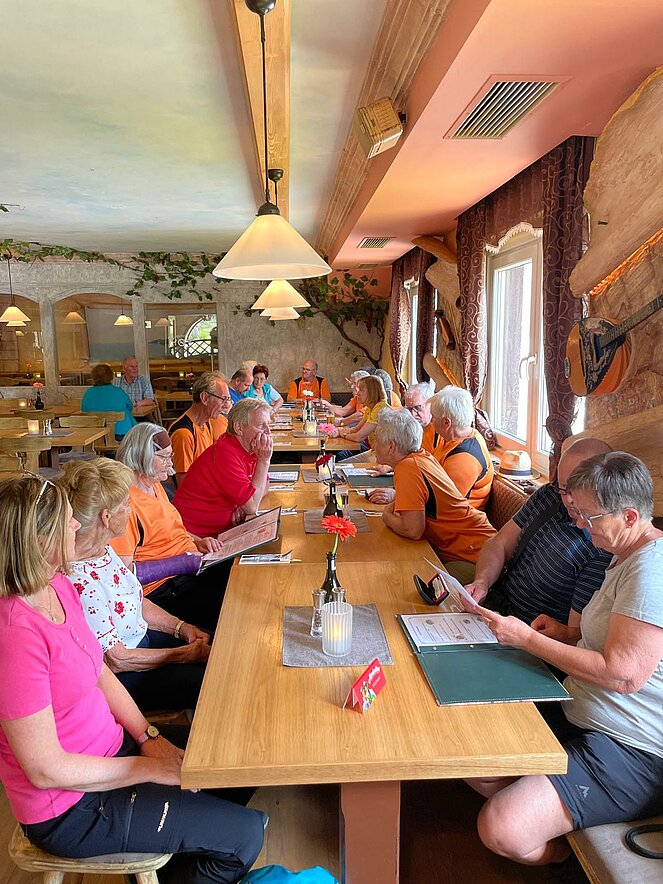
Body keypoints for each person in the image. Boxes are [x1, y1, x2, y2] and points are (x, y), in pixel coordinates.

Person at [0, 474, 264, 884]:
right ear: (39, 540)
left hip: (114, 753)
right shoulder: (14, 635)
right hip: (72, 807)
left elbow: (100, 672)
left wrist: (148, 737)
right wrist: (145, 768)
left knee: (236, 763)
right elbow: (45, 770)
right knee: (244, 837)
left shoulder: (57, 586)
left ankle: (175, 842)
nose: (76, 525)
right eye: (68, 521)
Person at [465, 452, 663, 868]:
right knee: (474, 759)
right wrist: (566, 632)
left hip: (631, 745)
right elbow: (616, 639)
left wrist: (528, 640)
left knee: (499, 826)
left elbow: (624, 675)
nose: (580, 524)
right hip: (582, 709)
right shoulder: (623, 552)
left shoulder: (651, 571)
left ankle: (567, 861)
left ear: (630, 516)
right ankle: (553, 812)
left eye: (589, 517)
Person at [58, 458, 210, 712]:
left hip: (144, 644)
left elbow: (135, 599)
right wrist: (184, 654)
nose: (130, 511)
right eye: (126, 505)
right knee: (212, 681)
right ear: (106, 517)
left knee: (217, 648)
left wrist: (182, 628)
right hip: (127, 678)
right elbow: (117, 659)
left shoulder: (103, 551)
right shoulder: (80, 581)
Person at [464, 438, 613, 626]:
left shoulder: (601, 543)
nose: (567, 499)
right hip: (496, 605)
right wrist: (482, 582)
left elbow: (572, 635)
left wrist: (521, 635)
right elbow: (499, 543)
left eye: (575, 490)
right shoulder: (549, 496)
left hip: (529, 633)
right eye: (563, 487)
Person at [112, 423, 232, 632]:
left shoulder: (153, 484)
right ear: (142, 457)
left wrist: (197, 541)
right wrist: (181, 563)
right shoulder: (124, 505)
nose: (171, 464)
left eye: (171, 456)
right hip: (163, 589)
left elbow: (169, 529)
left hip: (190, 569)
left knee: (241, 572)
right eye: (164, 458)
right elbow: (123, 574)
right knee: (234, 601)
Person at [373, 409, 496, 582]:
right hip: (473, 547)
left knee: (409, 581)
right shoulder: (421, 458)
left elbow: (413, 530)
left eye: (377, 441)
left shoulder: (408, 468)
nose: (373, 446)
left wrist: (386, 516)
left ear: (391, 446)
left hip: (475, 557)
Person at [174, 399, 273, 538]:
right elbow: (252, 507)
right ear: (238, 428)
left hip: (222, 532)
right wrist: (264, 461)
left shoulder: (249, 448)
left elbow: (265, 485)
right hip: (197, 538)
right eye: (261, 426)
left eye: (269, 425)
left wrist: (242, 503)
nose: (268, 432)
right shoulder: (225, 453)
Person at [429, 386, 494, 510]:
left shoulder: (466, 457)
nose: (431, 421)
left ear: (446, 423)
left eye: (433, 417)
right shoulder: (451, 438)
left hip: (456, 519)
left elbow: (442, 503)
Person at [169, 371, 232, 487]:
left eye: (228, 399)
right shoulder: (184, 434)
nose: (226, 405)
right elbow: (184, 485)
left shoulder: (206, 423)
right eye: (223, 399)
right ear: (204, 398)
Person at [330, 374, 390, 455]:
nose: (357, 393)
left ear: (372, 392)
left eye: (361, 390)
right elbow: (356, 429)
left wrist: (342, 434)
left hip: (383, 456)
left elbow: (359, 437)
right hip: (375, 452)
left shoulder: (380, 408)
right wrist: (338, 431)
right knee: (338, 455)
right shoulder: (370, 407)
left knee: (339, 456)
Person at [81, 362, 136, 439]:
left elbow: (84, 410)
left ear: (93, 377)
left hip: (96, 435)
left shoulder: (88, 393)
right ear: (111, 376)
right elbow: (130, 407)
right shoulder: (118, 392)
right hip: (122, 433)